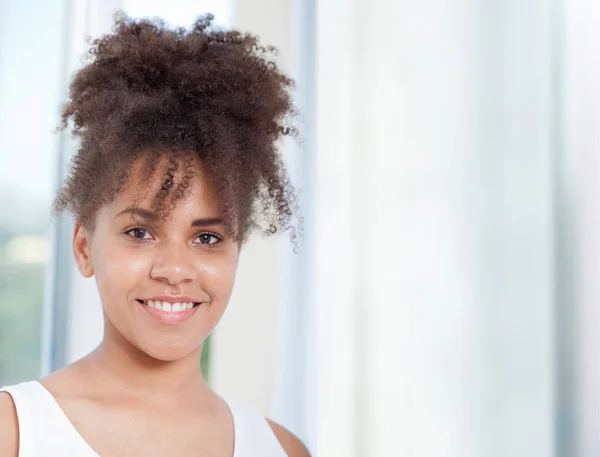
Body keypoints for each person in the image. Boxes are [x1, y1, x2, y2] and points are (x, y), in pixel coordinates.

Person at [0, 12, 309, 457]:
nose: (175, 270)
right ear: (84, 248)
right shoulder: (15, 432)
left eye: (207, 238)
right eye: (140, 231)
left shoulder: (282, 449)